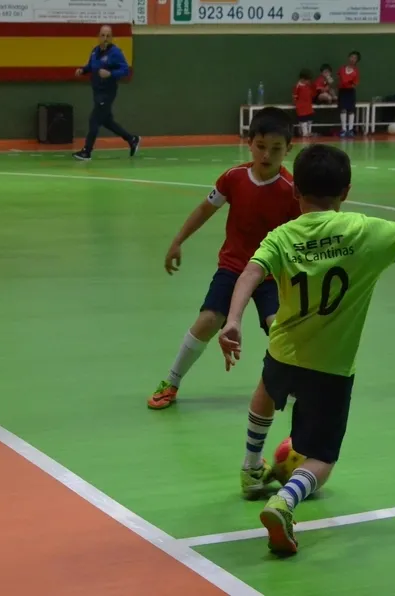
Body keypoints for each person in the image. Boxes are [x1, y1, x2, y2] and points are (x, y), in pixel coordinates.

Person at [218, 144, 395, 555]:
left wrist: (233, 320)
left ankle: (251, 468)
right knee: (321, 457)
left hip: (284, 351)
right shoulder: (364, 230)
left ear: (295, 191)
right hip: (332, 367)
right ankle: (284, 500)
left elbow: (250, 272)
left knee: (265, 391)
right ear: (346, 191)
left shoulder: (283, 235)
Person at [146, 106, 301, 410]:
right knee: (208, 320)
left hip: (271, 273)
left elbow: (302, 234)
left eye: (276, 149)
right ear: (249, 143)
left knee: (278, 328)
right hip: (233, 267)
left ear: (288, 149)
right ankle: (172, 381)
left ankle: (297, 382)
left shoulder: (291, 190)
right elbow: (205, 209)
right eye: (261, 146)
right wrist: (178, 241)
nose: (266, 155)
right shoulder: (233, 178)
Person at [72, 25, 140, 162]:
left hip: (107, 93)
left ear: (112, 38)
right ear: (98, 37)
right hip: (97, 91)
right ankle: (132, 139)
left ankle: (87, 151)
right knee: (107, 121)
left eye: (108, 36)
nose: (105, 38)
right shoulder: (95, 51)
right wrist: (83, 70)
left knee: (94, 120)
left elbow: (125, 70)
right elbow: (91, 66)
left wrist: (110, 74)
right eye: (103, 35)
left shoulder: (115, 53)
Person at [337, 51, 361, 138]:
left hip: (350, 92)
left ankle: (350, 130)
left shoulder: (356, 71)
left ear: (357, 61)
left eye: (355, 58)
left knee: (351, 110)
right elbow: (339, 79)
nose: (352, 59)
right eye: (351, 57)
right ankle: (343, 129)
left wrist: (347, 83)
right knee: (343, 109)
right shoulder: (342, 69)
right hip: (342, 91)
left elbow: (354, 83)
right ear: (348, 58)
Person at [292, 69, 315, 138]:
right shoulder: (297, 86)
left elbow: (312, 94)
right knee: (303, 120)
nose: (308, 82)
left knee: (309, 120)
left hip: (308, 106)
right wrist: (296, 104)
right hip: (301, 107)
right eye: (307, 80)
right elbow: (295, 96)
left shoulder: (308, 86)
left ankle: (309, 132)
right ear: (302, 79)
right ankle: (305, 133)